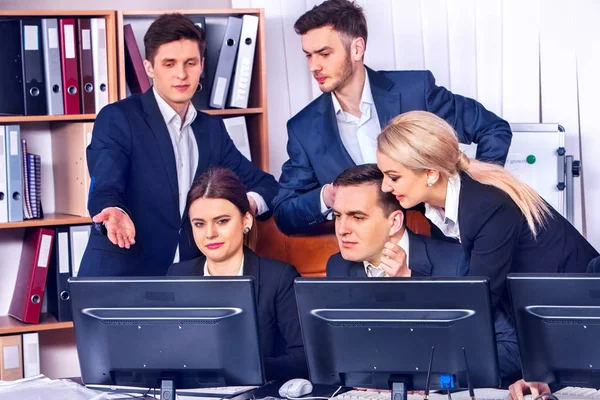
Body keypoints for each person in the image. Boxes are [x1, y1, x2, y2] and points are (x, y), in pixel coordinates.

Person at [273, 0, 512, 235]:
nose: (314, 66)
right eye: (308, 55)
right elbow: (284, 212)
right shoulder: (303, 128)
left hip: (442, 249)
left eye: (324, 54)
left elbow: (493, 129)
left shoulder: (416, 91)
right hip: (367, 263)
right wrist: (328, 196)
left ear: (357, 48)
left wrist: (471, 197)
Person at [79, 13, 277, 277]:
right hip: (123, 274)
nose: (181, 74)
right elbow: (105, 185)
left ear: (201, 65)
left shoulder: (211, 129)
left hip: (187, 278)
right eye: (169, 64)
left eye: (190, 63)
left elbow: (265, 185)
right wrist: (113, 212)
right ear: (150, 67)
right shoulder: (118, 118)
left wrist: (245, 204)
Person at [376, 110, 599, 311]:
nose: (385, 186)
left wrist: (408, 276)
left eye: (393, 177)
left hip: (577, 307)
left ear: (431, 174)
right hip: (542, 306)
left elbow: (478, 301)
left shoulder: (486, 207)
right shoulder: (447, 194)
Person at [326, 164, 520, 382]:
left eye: (358, 217)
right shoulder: (338, 266)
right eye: (337, 216)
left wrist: (440, 380)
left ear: (395, 222)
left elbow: (510, 349)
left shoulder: (455, 264)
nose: (342, 229)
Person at [167, 168, 308, 381]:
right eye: (199, 224)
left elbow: (302, 359)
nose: (210, 233)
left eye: (222, 221)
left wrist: (242, 366)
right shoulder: (178, 275)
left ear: (246, 221)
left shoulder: (279, 278)